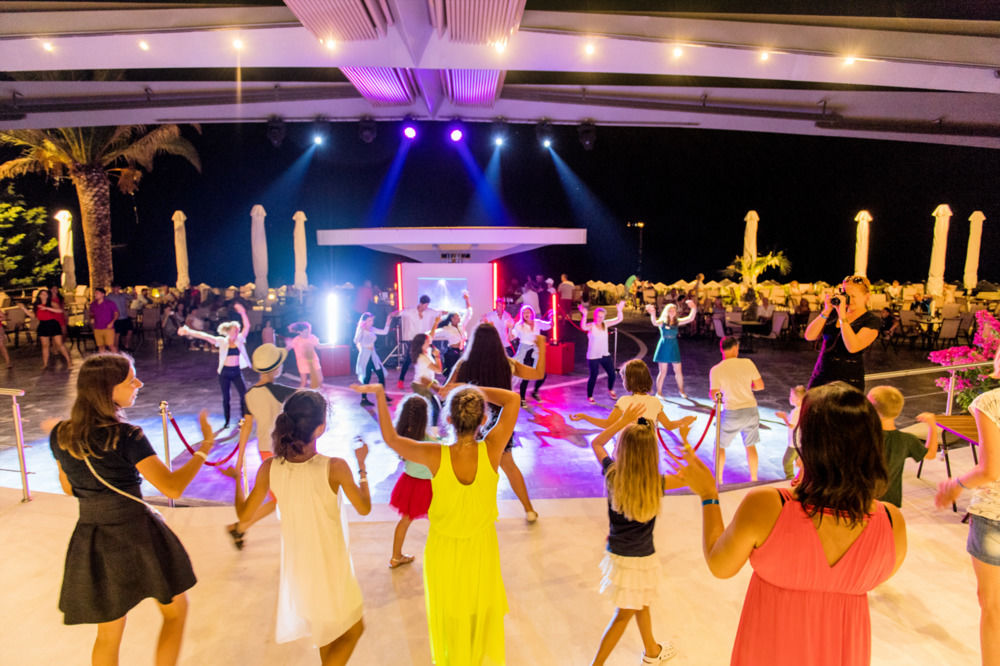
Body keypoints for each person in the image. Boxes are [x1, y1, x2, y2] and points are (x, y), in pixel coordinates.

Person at [674, 381, 907, 666]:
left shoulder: (768, 505)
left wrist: (709, 495)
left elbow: (720, 565)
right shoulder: (891, 521)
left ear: (807, 441)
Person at [49, 353, 216, 666]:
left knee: (108, 634)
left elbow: (69, 488)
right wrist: (204, 447)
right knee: (175, 612)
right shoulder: (127, 436)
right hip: (137, 534)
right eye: (130, 380)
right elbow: (172, 488)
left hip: (93, 538)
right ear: (108, 389)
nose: (139, 384)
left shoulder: (60, 435)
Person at [354, 381, 518, 666]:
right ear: (483, 419)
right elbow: (513, 399)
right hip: (482, 548)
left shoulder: (434, 455)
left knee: (451, 613)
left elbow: (391, 439)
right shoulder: (492, 450)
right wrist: (469, 388)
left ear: (449, 419)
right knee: (479, 611)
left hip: (443, 550)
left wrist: (380, 394)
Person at [235, 390, 370, 665]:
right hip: (331, 566)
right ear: (319, 428)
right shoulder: (335, 467)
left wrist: (238, 474)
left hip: (299, 568)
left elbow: (243, 514)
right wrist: (362, 466)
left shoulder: (269, 468)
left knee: (326, 634)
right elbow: (364, 508)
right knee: (354, 630)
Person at [586, 403, 683, 665]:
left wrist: (621, 422)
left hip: (619, 554)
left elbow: (597, 443)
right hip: (640, 559)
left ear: (622, 449)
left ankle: (652, 651)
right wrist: (684, 442)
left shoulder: (612, 474)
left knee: (641, 601)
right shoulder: (657, 482)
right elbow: (691, 476)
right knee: (624, 614)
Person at [935, 351, 1000, 666]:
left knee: (993, 608)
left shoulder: (991, 403)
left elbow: (990, 470)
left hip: (995, 515)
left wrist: (956, 484)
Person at [445, 322, 545, 522]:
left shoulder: (464, 364)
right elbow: (538, 374)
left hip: (471, 419)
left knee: (466, 465)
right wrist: (542, 348)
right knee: (508, 465)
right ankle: (529, 510)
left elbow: (447, 389)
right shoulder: (507, 363)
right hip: (500, 421)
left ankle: (463, 510)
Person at [224, 342, 296, 549]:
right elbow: (314, 393)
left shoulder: (249, 395)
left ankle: (240, 527)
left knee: (280, 497)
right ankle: (240, 527)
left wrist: (239, 461)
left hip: (264, 449)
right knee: (283, 497)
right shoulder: (281, 391)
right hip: (282, 451)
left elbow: (246, 427)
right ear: (276, 368)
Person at [570, 359, 695, 433]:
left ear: (629, 381)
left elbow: (608, 424)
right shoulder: (655, 402)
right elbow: (669, 425)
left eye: (623, 378)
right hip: (649, 452)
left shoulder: (624, 401)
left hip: (628, 450)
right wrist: (683, 421)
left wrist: (585, 417)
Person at [178, 303, 251, 429]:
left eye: (237, 330)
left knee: (244, 395)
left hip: (236, 372)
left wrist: (243, 313)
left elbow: (247, 326)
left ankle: (243, 418)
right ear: (228, 331)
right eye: (234, 330)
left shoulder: (240, 339)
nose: (236, 332)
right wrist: (188, 331)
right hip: (225, 373)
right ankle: (227, 421)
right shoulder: (222, 341)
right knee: (226, 398)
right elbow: (204, 336)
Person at [804, 275, 880, 392]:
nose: (849, 300)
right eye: (846, 296)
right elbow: (809, 336)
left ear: (867, 297)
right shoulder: (834, 313)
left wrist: (842, 317)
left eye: (853, 296)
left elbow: (853, 347)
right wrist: (827, 310)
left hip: (849, 381)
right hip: (822, 376)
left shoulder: (871, 320)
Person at [867, 386, 939, 507]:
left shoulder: (862, 436)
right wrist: (932, 425)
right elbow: (931, 454)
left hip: (862, 499)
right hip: (889, 502)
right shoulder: (907, 440)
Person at [387, 394, 434, 569]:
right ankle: (441, 554)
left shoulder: (402, 439)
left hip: (409, 483)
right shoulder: (428, 441)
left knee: (405, 520)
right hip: (428, 485)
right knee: (438, 520)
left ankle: (395, 556)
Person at [709, 336, 764, 482]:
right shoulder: (748, 363)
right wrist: (747, 387)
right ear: (735, 348)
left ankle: (719, 480)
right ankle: (754, 479)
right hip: (750, 410)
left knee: (720, 446)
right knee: (750, 445)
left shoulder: (716, 369)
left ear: (722, 349)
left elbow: (714, 395)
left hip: (732, 411)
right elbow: (759, 386)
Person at [646, 300, 697, 399]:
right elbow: (654, 322)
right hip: (664, 346)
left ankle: (681, 391)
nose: (672, 312)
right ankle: (659, 393)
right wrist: (652, 313)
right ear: (666, 312)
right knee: (663, 371)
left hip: (674, 346)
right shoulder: (662, 322)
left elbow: (690, 318)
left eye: (673, 310)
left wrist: (693, 308)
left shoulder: (677, 322)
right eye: (670, 310)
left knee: (678, 371)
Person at [580, 301, 626, 403]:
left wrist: (619, 310)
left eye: (602, 317)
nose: (600, 318)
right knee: (594, 376)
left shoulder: (605, 324)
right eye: (598, 316)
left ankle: (610, 389)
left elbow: (619, 319)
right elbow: (583, 327)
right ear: (595, 316)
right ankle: (590, 396)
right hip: (593, 356)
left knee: (612, 373)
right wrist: (585, 315)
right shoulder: (591, 326)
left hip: (605, 355)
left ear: (604, 317)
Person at [394, 295, 438, 388]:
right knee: (408, 360)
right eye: (425, 305)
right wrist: (391, 314)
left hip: (425, 340)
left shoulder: (429, 312)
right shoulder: (410, 311)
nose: (426, 307)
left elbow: (440, 313)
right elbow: (400, 313)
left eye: (427, 305)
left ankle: (429, 379)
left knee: (430, 357)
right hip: (414, 341)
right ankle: (401, 380)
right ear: (421, 303)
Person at [511, 304, 552, 405]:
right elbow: (512, 336)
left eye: (528, 312)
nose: (526, 314)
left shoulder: (537, 323)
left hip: (535, 351)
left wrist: (552, 317)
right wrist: (509, 328)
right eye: (524, 313)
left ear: (532, 313)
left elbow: (549, 325)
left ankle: (535, 392)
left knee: (542, 374)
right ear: (522, 315)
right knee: (526, 376)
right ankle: (522, 398)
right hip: (525, 352)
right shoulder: (519, 325)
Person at [353, 313, 392, 405]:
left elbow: (384, 332)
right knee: (367, 377)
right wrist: (362, 346)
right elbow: (355, 340)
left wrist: (387, 322)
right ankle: (364, 399)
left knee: (381, 375)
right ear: (364, 321)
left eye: (372, 320)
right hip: (365, 355)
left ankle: (382, 395)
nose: (371, 322)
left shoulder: (372, 329)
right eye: (369, 320)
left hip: (373, 355)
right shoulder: (361, 330)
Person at [433, 291, 473, 378]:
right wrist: (435, 323)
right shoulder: (447, 328)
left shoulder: (461, 325)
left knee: (461, 373)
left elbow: (468, 313)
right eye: (457, 316)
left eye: (459, 316)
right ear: (452, 319)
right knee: (452, 375)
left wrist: (467, 300)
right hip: (452, 353)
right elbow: (433, 333)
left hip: (462, 352)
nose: (459, 317)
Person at [409, 328, 444, 423]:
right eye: (427, 342)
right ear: (421, 344)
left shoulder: (425, 352)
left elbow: (430, 336)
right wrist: (437, 357)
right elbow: (438, 370)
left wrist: (436, 323)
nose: (430, 343)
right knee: (431, 411)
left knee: (431, 410)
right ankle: (427, 430)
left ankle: (428, 429)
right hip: (422, 387)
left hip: (425, 385)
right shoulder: (422, 358)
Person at [34, 287, 73, 368]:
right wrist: (23, 309)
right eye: (42, 294)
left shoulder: (52, 303)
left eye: (46, 294)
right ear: (39, 296)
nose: (44, 295)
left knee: (59, 344)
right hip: (43, 325)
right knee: (45, 346)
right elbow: (35, 316)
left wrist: (47, 308)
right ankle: (45, 364)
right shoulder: (37, 305)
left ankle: (69, 361)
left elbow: (60, 311)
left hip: (53, 324)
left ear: (48, 296)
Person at [776, 385, 806, 480]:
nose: (790, 398)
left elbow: (791, 425)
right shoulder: (801, 409)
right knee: (798, 459)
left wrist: (783, 417)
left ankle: (790, 477)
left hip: (794, 443)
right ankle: (802, 476)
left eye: (791, 396)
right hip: (799, 441)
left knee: (786, 461)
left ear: (798, 399)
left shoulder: (796, 412)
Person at [286, 321, 323, 390]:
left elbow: (319, 346)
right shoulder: (296, 340)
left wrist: (330, 345)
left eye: (309, 331)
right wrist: (287, 345)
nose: (308, 333)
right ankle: (298, 394)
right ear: (299, 332)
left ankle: (319, 393)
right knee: (304, 382)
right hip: (302, 362)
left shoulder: (312, 337)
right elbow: (287, 349)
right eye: (306, 332)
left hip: (314, 360)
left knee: (320, 380)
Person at [106, 284, 134, 352]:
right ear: (112, 288)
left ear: (119, 287)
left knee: (130, 331)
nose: (116, 289)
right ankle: (116, 349)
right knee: (117, 334)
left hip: (125, 317)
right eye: (114, 287)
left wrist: (134, 292)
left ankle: (126, 346)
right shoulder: (109, 296)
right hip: (116, 318)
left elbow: (133, 298)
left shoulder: (123, 295)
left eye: (117, 287)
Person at [89, 287, 118, 353]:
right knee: (100, 346)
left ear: (103, 294)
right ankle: (102, 358)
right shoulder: (93, 304)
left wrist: (112, 322)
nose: (95, 295)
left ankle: (116, 358)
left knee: (111, 345)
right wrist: (92, 318)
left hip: (108, 328)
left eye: (97, 293)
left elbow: (116, 314)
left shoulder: (110, 303)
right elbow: (91, 313)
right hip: (97, 328)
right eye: (95, 293)